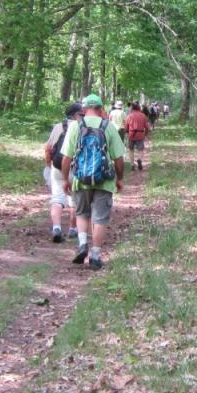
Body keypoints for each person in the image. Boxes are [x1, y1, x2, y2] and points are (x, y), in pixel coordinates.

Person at [60, 94, 125, 270]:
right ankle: (95, 255)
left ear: (83, 109)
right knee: (100, 217)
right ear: (101, 108)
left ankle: (82, 244)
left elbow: (66, 158)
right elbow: (119, 159)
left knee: (82, 213)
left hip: (80, 178)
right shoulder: (108, 126)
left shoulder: (75, 126)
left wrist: (66, 179)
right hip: (104, 179)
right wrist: (119, 179)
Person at [43, 102, 83, 241]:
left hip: (58, 167)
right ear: (76, 114)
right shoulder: (82, 127)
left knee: (57, 198)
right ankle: (73, 229)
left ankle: (57, 228)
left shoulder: (58, 127)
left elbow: (48, 148)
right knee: (74, 200)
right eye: (81, 113)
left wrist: (48, 166)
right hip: (76, 168)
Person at [124, 101, 152, 171]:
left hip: (131, 135)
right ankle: (139, 159)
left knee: (131, 150)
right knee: (140, 149)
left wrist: (127, 133)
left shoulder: (129, 116)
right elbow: (147, 127)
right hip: (140, 135)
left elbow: (126, 127)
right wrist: (145, 134)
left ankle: (132, 164)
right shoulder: (143, 115)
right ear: (139, 107)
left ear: (132, 108)